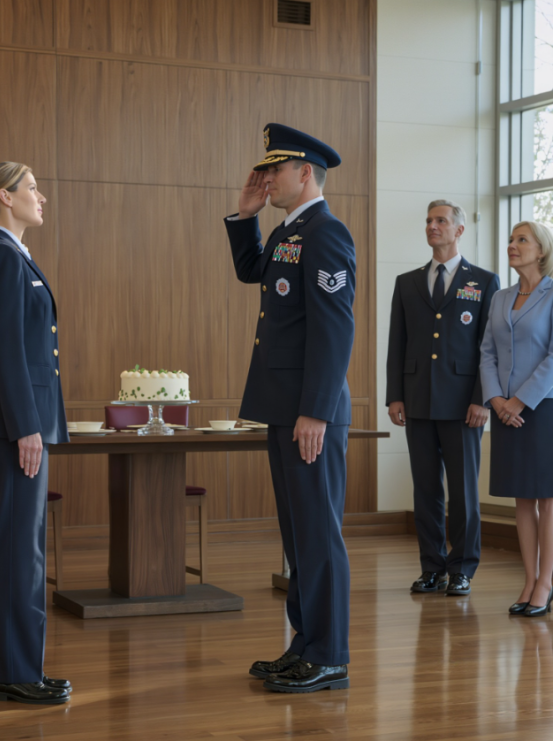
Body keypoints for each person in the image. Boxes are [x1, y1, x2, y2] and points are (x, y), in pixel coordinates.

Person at [225, 123, 355, 693]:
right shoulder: (289, 231)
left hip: (309, 411)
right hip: (286, 406)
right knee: (298, 534)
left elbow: (335, 328)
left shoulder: (326, 232)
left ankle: (328, 655)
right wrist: (245, 215)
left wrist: (317, 411)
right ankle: (304, 644)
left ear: (305, 173)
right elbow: (251, 270)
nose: (266, 178)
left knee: (318, 534)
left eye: (274, 170)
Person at [0, 162, 70, 704]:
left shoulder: (14, 254)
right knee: (16, 551)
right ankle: (14, 673)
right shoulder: (1, 257)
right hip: (11, 426)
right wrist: (27, 426)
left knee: (23, 549)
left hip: (18, 423)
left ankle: (21, 667)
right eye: (31, 188)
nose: (41, 196)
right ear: (5, 196)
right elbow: (6, 350)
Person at [386, 200, 500, 596]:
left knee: (464, 491)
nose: (432, 226)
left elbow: (488, 347)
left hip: (463, 404)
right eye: (429, 221)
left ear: (459, 230)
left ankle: (462, 567)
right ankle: (432, 567)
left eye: (441, 221)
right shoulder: (407, 282)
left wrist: (482, 399)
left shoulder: (483, 282)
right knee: (426, 490)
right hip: (417, 400)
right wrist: (395, 395)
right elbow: (397, 343)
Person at [479, 220, 553, 617]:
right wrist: (496, 399)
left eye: (522, 240)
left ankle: (546, 582)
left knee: (548, 499)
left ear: (541, 250)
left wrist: (520, 401)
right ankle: (529, 579)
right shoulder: (500, 297)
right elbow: (486, 353)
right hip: (505, 410)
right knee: (522, 498)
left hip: (542, 408)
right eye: (510, 239)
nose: (512, 245)